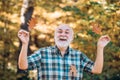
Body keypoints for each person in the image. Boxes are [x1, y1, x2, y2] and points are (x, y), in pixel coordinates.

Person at [18, 24, 111, 80]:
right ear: (55, 36)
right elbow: (23, 66)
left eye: (67, 32)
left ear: (71, 37)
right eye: (59, 31)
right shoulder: (43, 53)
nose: (63, 34)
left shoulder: (78, 56)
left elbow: (97, 70)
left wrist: (100, 47)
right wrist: (25, 44)